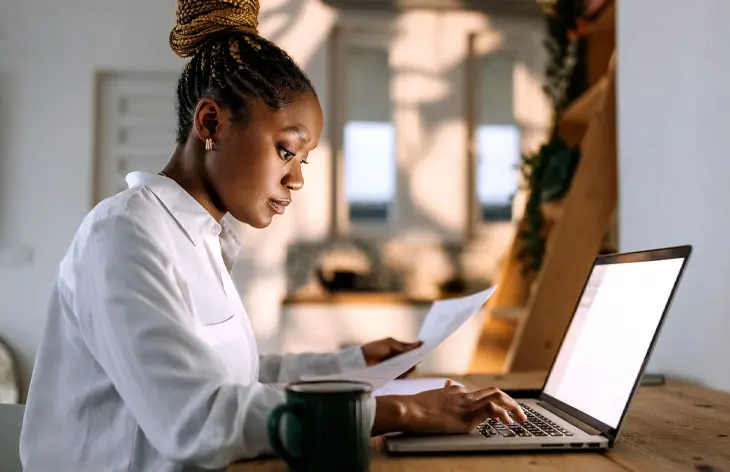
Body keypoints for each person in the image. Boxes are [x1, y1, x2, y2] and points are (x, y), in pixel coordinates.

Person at [18, 0, 525, 470]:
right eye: (286, 150)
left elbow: (236, 376)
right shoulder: (124, 235)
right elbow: (196, 418)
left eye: (303, 160)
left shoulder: (199, 238)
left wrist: (354, 364)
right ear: (211, 122)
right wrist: (402, 412)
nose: (298, 179)